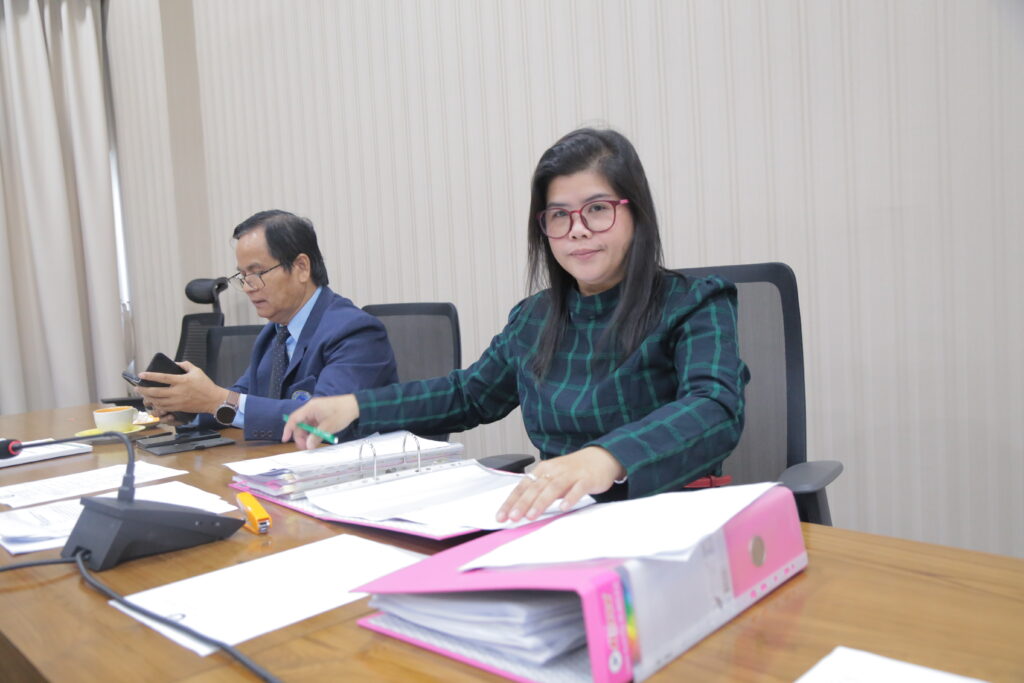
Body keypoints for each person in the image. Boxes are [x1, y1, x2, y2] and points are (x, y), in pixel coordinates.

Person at [282, 128, 749, 522]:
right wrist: (356, 406)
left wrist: (607, 458)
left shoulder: (695, 302)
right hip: (561, 517)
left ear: (636, 213)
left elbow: (715, 406)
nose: (578, 229)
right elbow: (468, 395)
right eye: (559, 215)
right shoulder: (534, 318)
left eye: (597, 208)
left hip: (668, 514)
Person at [137, 210, 399, 441]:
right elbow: (243, 395)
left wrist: (217, 399)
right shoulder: (276, 332)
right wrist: (189, 407)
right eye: (243, 276)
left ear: (301, 267)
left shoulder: (355, 331)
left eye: (257, 273)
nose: (248, 287)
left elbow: (323, 420)